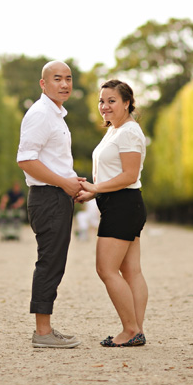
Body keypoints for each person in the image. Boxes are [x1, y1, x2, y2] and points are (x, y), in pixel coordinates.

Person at [16, 60, 84, 349]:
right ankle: (42, 333)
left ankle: (46, 328)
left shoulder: (56, 115)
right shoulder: (42, 113)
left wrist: (69, 180)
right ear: (43, 84)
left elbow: (47, 159)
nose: (65, 84)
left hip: (56, 195)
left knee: (55, 262)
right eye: (57, 78)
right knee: (49, 263)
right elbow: (26, 160)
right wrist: (63, 182)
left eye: (68, 78)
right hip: (48, 197)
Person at [76, 80, 148, 348]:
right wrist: (94, 192)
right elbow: (115, 174)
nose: (104, 106)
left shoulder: (128, 132)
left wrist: (96, 187)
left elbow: (129, 175)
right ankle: (136, 330)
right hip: (121, 203)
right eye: (101, 101)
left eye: (111, 101)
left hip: (122, 206)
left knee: (106, 269)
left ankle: (130, 330)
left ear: (127, 102)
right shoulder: (116, 131)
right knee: (131, 272)